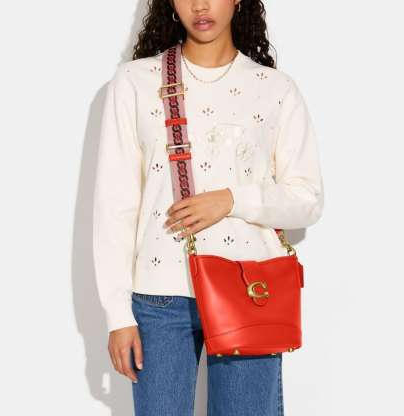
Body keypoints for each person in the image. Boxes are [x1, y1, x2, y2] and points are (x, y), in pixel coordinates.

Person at [92, 0, 324, 414]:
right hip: (161, 298)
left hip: (250, 289)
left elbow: (308, 199)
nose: (200, 5)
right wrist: (117, 314)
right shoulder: (135, 82)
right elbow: (115, 205)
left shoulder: (275, 89)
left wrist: (232, 200)